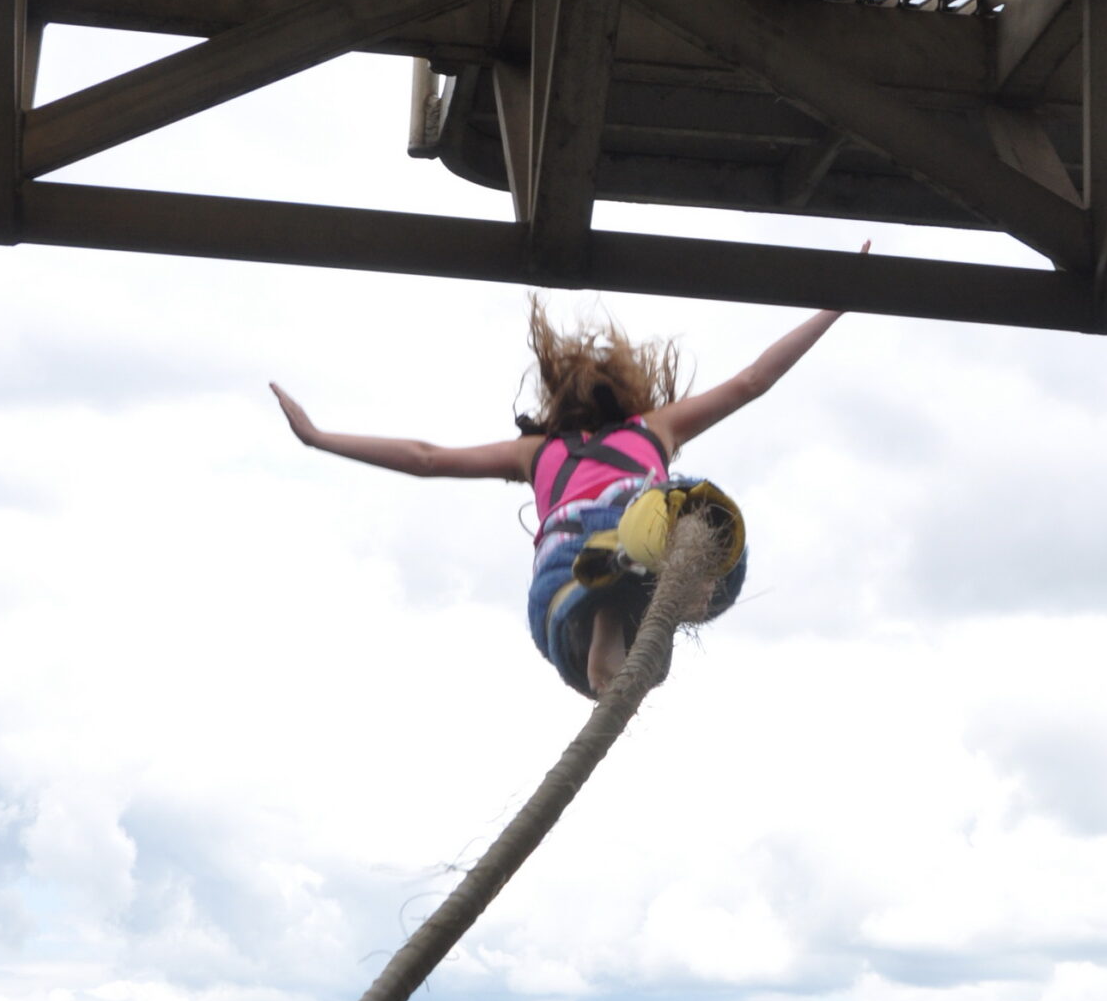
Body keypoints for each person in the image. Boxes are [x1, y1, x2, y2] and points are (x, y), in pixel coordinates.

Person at [270, 260, 862, 700]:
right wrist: (834, 305)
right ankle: (656, 583)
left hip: (560, 577)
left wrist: (322, 439)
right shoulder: (653, 429)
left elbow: (426, 458)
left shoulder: (535, 451)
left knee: (627, 665)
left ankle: (615, 593)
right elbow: (752, 381)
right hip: (636, 531)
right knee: (694, 513)